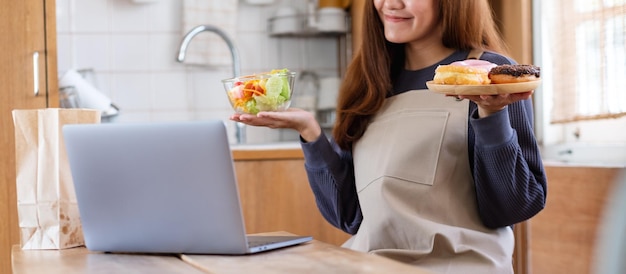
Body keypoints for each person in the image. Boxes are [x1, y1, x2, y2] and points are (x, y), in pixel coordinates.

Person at [231, 0, 547, 273]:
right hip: (372, 266)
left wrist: (492, 114)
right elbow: (351, 217)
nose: (390, 3)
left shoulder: (489, 74)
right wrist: (310, 132)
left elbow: (513, 208)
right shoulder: (368, 82)